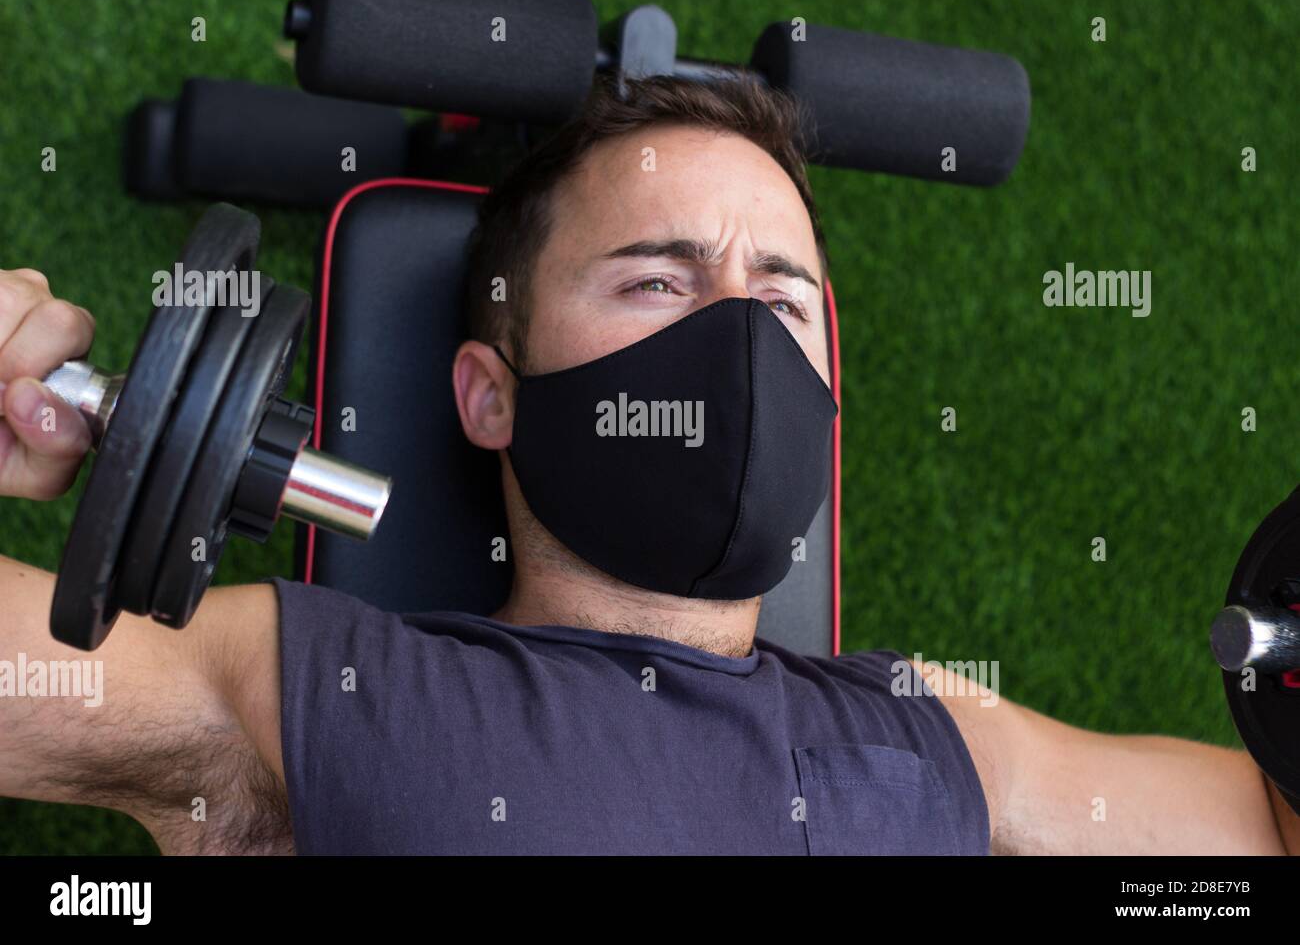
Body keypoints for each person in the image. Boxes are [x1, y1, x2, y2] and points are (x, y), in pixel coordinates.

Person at [0, 75, 1293, 854]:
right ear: (491, 395)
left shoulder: (936, 732)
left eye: (781, 302)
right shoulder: (309, 689)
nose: (735, 337)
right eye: (658, 278)